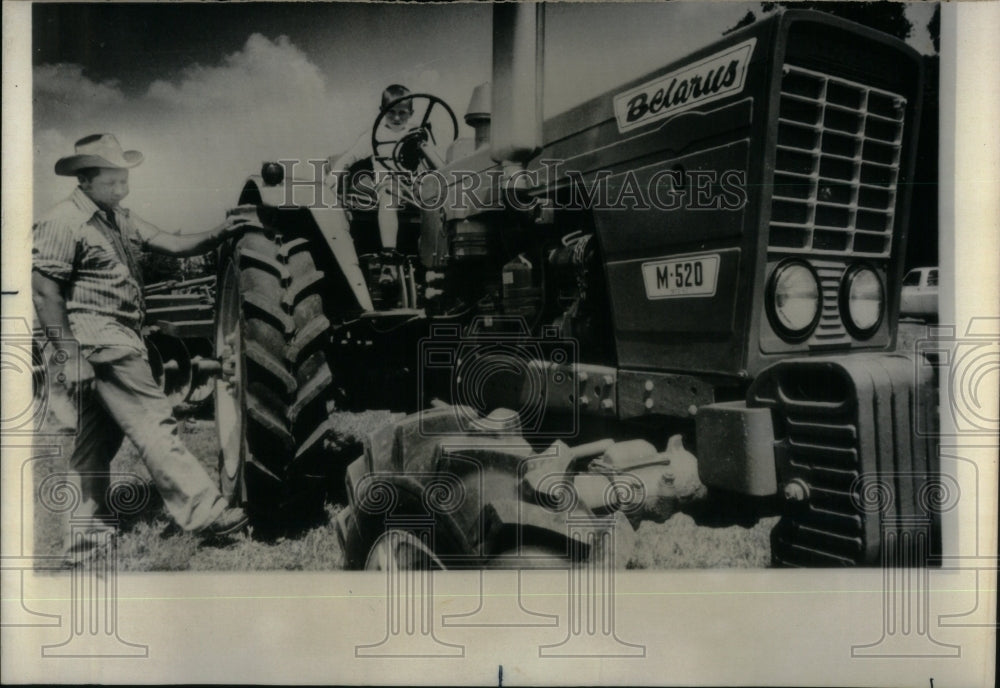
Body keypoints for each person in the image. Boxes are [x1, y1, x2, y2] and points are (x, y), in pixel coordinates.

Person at [32, 133, 251, 565]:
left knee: (95, 441)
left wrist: (221, 231)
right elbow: (44, 293)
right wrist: (69, 355)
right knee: (155, 421)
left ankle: (85, 540)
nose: (121, 188)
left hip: (113, 338)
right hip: (100, 340)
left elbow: (172, 243)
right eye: (112, 181)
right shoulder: (63, 222)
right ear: (86, 179)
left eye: (124, 180)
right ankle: (204, 511)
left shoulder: (118, 219)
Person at [326, 84, 415, 287]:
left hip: (415, 186)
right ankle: (389, 258)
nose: (397, 118)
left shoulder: (416, 133)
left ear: (411, 113)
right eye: (391, 112)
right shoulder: (373, 136)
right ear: (381, 112)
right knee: (389, 195)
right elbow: (350, 157)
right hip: (388, 183)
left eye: (402, 113)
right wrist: (333, 177)